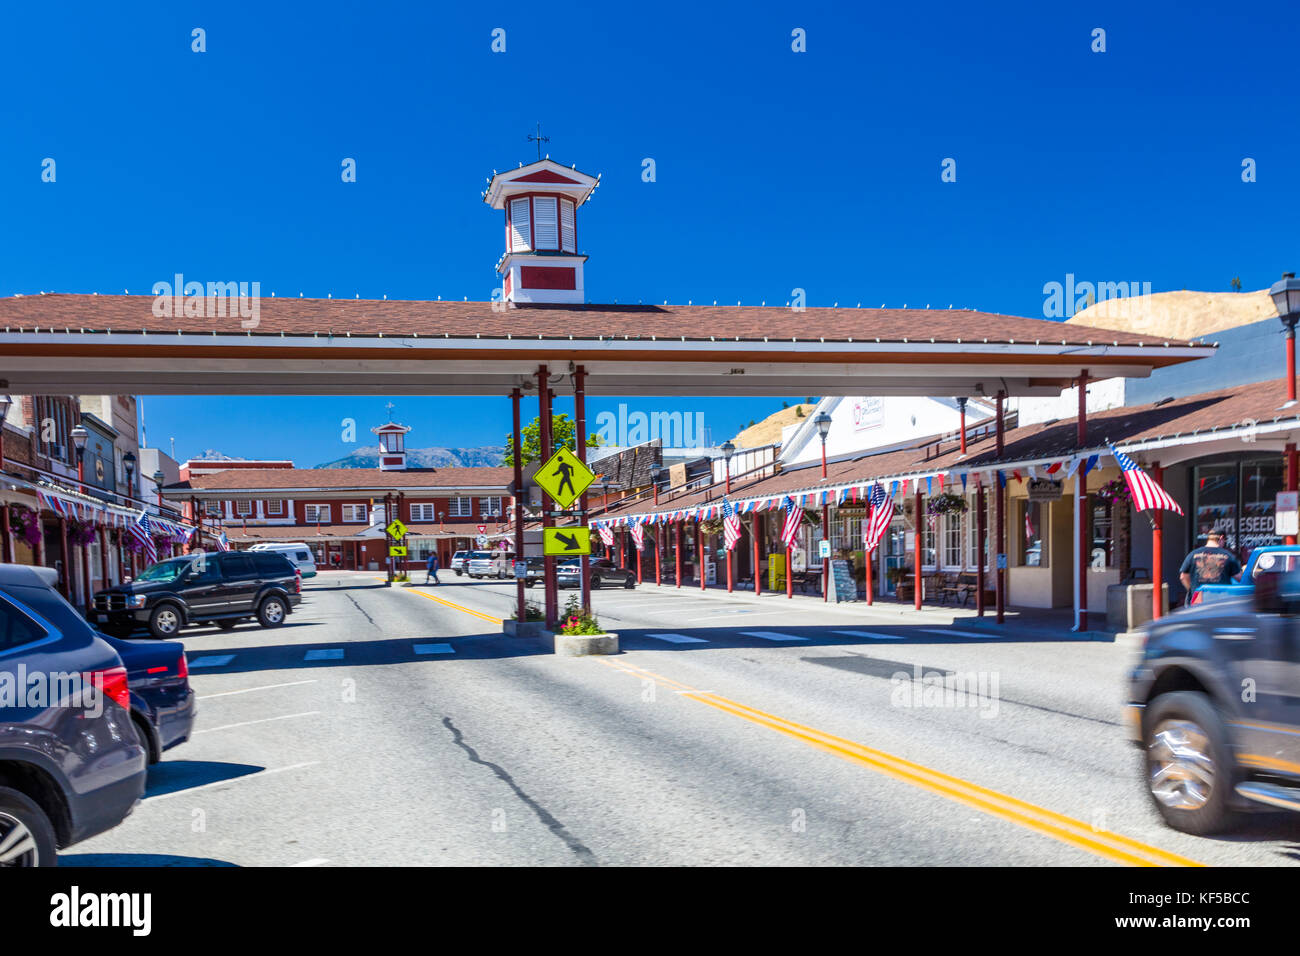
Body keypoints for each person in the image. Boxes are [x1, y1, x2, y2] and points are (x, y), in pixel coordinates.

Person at [1179, 531, 1241, 600]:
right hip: (1221, 600)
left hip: (1199, 599)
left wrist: (1192, 591)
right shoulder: (1228, 556)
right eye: (1225, 541)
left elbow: (1183, 577)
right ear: (1221, 538)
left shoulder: (1192, 555)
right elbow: (1239, 578)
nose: (1224, 544)